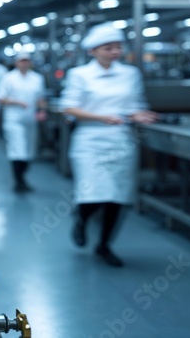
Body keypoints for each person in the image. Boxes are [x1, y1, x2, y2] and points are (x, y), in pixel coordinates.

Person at [61, 23, 158, 267]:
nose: (115, 52)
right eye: (108, 48)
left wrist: (138, 114)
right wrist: (101, 117)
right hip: (90, 140)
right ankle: (81, 219)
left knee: (118, 196)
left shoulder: (130, 74)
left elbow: (135, 104)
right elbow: (69, 108)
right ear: (93, 51)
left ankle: (104, 245)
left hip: (121, 141)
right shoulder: (80, 75)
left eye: (118, 47)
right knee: (93, 192)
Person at [0, 52, 47, 192]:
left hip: (30, 121)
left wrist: (42, 110)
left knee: (29, 152)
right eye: (21, 61)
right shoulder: (8, 78)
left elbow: (40, 98)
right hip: (14, 120)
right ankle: (18, 181)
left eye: (27, 61)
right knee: (18, 151)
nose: (24, 63)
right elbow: (1, 99)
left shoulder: (37, 79)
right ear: (16, 62)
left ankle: (22, 178)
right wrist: (16, 102)